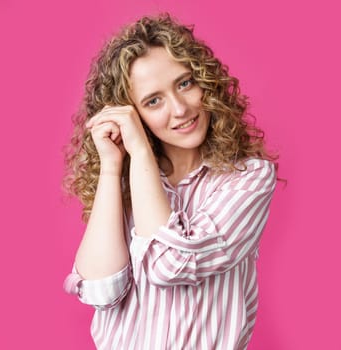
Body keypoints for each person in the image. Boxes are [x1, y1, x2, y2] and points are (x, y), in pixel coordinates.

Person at [63, 13, 278, 350]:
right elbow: (102, 291)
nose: (179, 109)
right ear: (133, 114)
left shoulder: (248, 178)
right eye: (153, 101)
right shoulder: (125, 187)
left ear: (206, 82)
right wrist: (111, 166)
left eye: (185, 83)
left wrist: (139, 149)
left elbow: (170, 265)